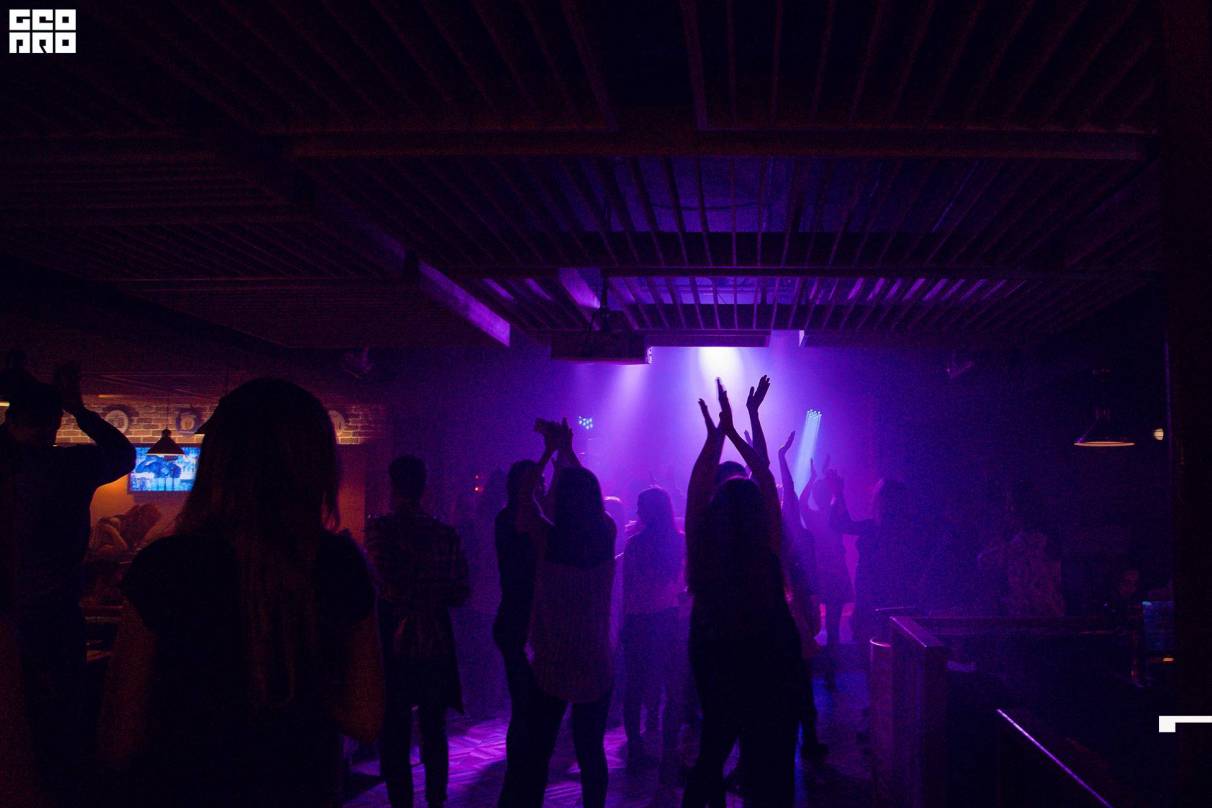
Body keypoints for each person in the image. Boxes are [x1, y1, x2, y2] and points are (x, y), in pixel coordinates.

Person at [97, 378, 383, 808]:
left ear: (218, 460)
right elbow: (366, 718)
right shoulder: (339, 563)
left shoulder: (164, 565)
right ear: (316, 463)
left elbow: (118, 741)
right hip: (300, 790)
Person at [1, 363, 135, 806]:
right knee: (61, 714)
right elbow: (122, 454)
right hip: (57, 609)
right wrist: (79, 409)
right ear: (55, 423)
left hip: (19, 609)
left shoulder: (30, 467)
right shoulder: (68, 466)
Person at [682, 377, 802, 808]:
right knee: (770, 766)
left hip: (717, 657)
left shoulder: (703, 552)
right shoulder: (766, 547)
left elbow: (696, 492)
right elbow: (765, 478)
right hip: (772, 657)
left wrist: (717, 437)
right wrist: (734, 432)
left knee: (711, 755)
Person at [510, 420, 615, 808]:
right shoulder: (606, 533)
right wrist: (567, 452)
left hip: (554, 659)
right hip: (595, 657)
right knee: (591, 751)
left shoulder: (548, 538)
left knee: (539, 751)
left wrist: (549, 452)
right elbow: (586, 489)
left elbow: (523, 502)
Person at [367, 455, 470, 808]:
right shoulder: (445, 534)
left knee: (395, 733)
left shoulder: (381, 530)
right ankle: (436, 802)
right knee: (434, 729)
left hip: (395, 640)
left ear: (393, 486)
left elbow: (384, 583)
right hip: (436, 638)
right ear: (425, 487)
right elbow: (461, 592)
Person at [621, 486, 683, 766]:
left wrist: (623, 623)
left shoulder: (635, 544)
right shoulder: (678, 541)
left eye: (641, 506)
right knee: (670, 684)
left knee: (635, 684)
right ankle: (667, 745)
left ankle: (636, 744)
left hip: (639, 619)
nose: (637, 511)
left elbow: (628, 588)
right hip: (668, 616)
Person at [776, 432, 828, 762]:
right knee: (800, 681)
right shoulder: (783, 533)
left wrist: (779, 459)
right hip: (790, 612)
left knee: (794, 681)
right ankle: (806, 740)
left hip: (790, 611)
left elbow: (789, 492)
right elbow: (789, 491)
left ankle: (798, 742)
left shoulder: (785, 532)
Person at [493, 460, 542, 805]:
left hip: (516, 620)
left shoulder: (509, 519)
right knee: (526, 708)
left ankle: (519, 783)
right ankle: (519, 783)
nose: (539, 487)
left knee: (526, 708)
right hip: (519, 623)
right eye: (534, 483)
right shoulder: (511, 521)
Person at [829, 473, 918, 647]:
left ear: (881, 501)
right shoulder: (905, 529)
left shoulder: (873, 527)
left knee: (870, 637)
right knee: (888, 638)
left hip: (870, 589)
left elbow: (838, 524)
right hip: (888, 589)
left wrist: (837, 494)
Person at [800, 456, 854, 679]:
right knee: (832, 627)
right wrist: (834, 489)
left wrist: (812, 479)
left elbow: (801, 503)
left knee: (811, 625)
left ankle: (813, 670)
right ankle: (830, 673)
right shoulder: (834, 514)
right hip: (835, 572)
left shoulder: (814, 517)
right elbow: (841, 508)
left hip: (819, 574)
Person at [977, 480, 1064, 618]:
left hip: (1040, 616)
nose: (1008, 510)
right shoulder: (1031, 540)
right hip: (1037, 615)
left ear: (1023, 508)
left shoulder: (1032, 541)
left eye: (1011, 505)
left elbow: (985, 560)